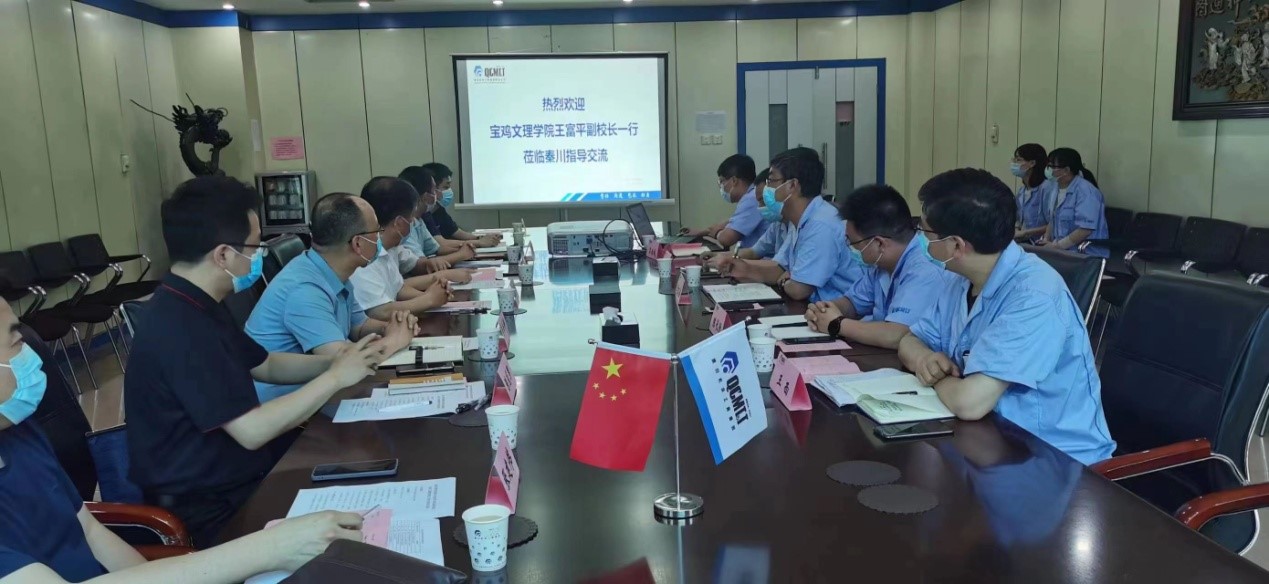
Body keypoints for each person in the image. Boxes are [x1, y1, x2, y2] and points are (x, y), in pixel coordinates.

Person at [0, 299, 368, 583]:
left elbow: (91, 532)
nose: (31, 356)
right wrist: (271, 548)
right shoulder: (174, 325)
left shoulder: (19, 432)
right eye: (16, 342)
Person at [125, 177, 388, 546]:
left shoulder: (199, 302)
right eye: (255, 246)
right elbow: (251, 431)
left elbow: (266, 365)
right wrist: (334, 378)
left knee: (369, 466)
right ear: (222, 255)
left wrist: (339, 363)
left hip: (244, 472)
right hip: (210, 508)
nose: (259, 256)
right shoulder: (179, 326)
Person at [897, 168, 1115, 465]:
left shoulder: (1034, 295)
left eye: (925, 232)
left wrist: (935, 378)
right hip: (990, 442)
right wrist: (925, 360)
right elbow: (909, 340)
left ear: (956, 245)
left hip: (1055, 461)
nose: (921, 239)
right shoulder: (959, 277)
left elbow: (970, 403)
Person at [246, 192, 417, 403]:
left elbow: (358, 326)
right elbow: (343, 361)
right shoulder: (305, 289)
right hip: (285, 409)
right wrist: (394, 341)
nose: (380, 238)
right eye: (377, 232)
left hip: (317, 395)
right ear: (358, 243)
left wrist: (391, 326)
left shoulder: (334, 273)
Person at [804, 184, 949, 348]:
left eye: (852, 242)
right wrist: (823, 311)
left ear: (879, 243)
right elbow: (852, 303)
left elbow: (897, 335)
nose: (849, 247)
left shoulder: (925, 268)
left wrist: (837, 324)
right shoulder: (880, 265)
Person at [714, 149, 865, 302]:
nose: (766, 189)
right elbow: (779, 268)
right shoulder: (798, 220)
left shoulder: (821, 224)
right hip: (815, 307)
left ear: (792, 185)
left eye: (771, 181)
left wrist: (786, 280)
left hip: (840, 311)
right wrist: (743, 267)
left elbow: (799, 290)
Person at [351, 177, 462, 319]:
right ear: (399, 223)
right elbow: (379, 311)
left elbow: (399, 289)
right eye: (411, 218)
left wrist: (437, 296)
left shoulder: (390, 247)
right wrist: (429, 299)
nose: (413, 222)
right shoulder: (364, 254)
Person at [398, 166, 481, 272]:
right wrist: (461, 254)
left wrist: (464, 248)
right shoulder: (404, 226)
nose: (437, 194)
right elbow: (421, 266)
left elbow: (436, 249)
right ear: (425, 196)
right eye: (434, 190)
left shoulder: (418, 220)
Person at [678, 154, 770, 248]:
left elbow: (726, 239)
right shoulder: (751, 196)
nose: (721, 187)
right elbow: (730, 222)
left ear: (734, 181)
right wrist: (701, 232)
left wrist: (717, 233)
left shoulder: (751, 199)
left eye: (722, 181)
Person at [1041, 147, 1108, 258]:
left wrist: (1057, 246)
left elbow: (1085, 229)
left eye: (1052, 166)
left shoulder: (1086, 192)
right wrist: (1046, 239)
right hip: (1061, 251)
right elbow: (1053, 219)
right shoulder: (1055, 188)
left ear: (1066, 170)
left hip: (1084, 254)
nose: (1048, 170)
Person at [419, 162, 499, 246]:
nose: (449, 191)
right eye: (446, 187)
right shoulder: (423, 214)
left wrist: (482, 238)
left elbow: (456, 232)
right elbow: (440, 244)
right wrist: (479, 242)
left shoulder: (438, 209)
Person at [1010, 143, 1055, 242]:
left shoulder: (1047, 188)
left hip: (1042, 243)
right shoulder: (1022, 191)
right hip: (1025, 242)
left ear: (1032, 163)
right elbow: (1018, 219)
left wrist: (1026, 232)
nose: (1014, 163)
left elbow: (1053, 223)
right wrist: (1017, 229)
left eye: (1018, 160)